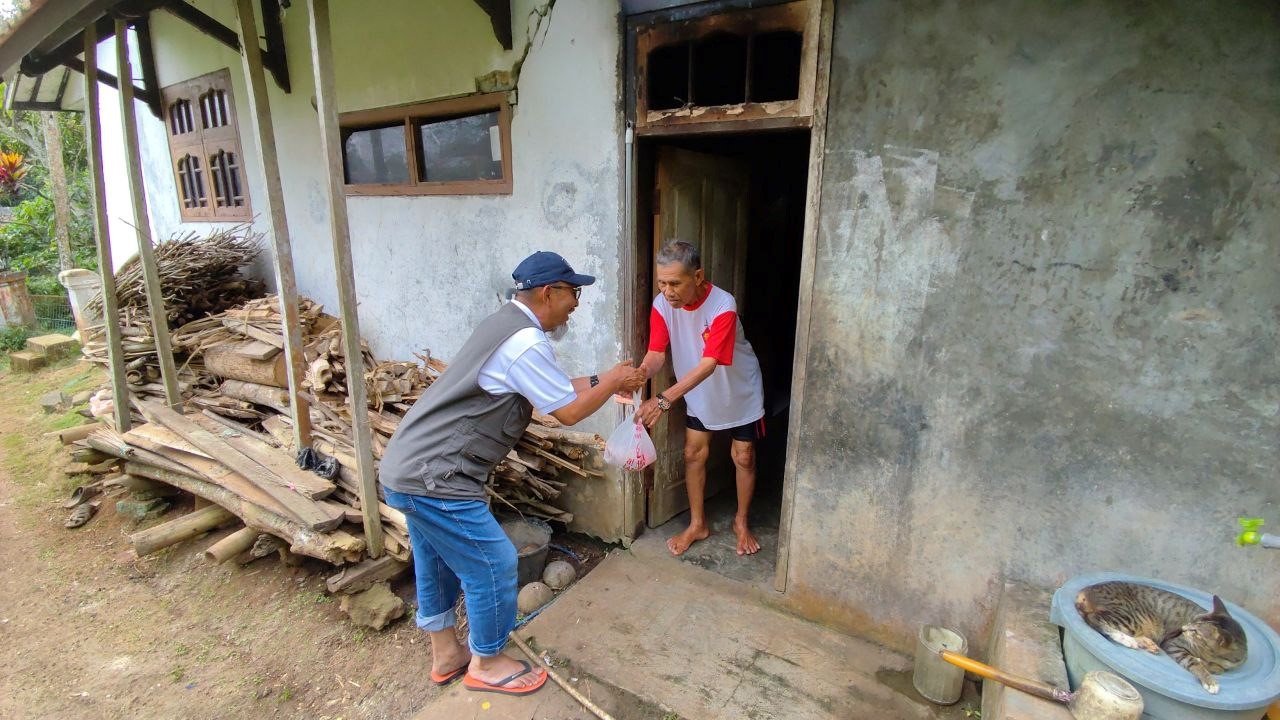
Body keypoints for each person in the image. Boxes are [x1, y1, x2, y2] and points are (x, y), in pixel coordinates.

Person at [380, 251, 645, 697]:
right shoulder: (525, 341)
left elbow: (556, 388)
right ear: (548, 292)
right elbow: (568, 411)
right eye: (573, 293)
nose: (576, 304)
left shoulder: (508, 326)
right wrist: (612, 386)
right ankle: (486, 660)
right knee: (494, 563)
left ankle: (447, 656)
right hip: (437, 476)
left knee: (435, 560)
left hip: (408, 466)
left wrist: (607, 377)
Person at [635, 240, 766, 557]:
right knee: (694, 454)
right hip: (698, 390)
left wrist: (664, 399)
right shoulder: (662, 304)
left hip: (739, 389)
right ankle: (697, 524)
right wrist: (638, 375)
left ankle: (741, 521)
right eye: (662, 283)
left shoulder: (724, 305)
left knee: (744, 456)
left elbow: (709, 364)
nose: (668, 292)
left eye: (675, 283)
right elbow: (656, 354)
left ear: (698, 276)